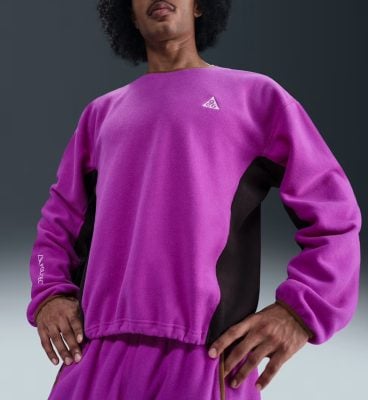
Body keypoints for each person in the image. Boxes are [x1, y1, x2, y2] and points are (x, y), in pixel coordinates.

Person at [26, 1, 362, 399]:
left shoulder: (257, 98)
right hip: (96, 355)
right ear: (129, 15)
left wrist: (300, 313)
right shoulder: (100, 115)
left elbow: (335, 214)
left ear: (200, 6)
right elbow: (58, 224)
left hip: (206, 357)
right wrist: (49, 292)